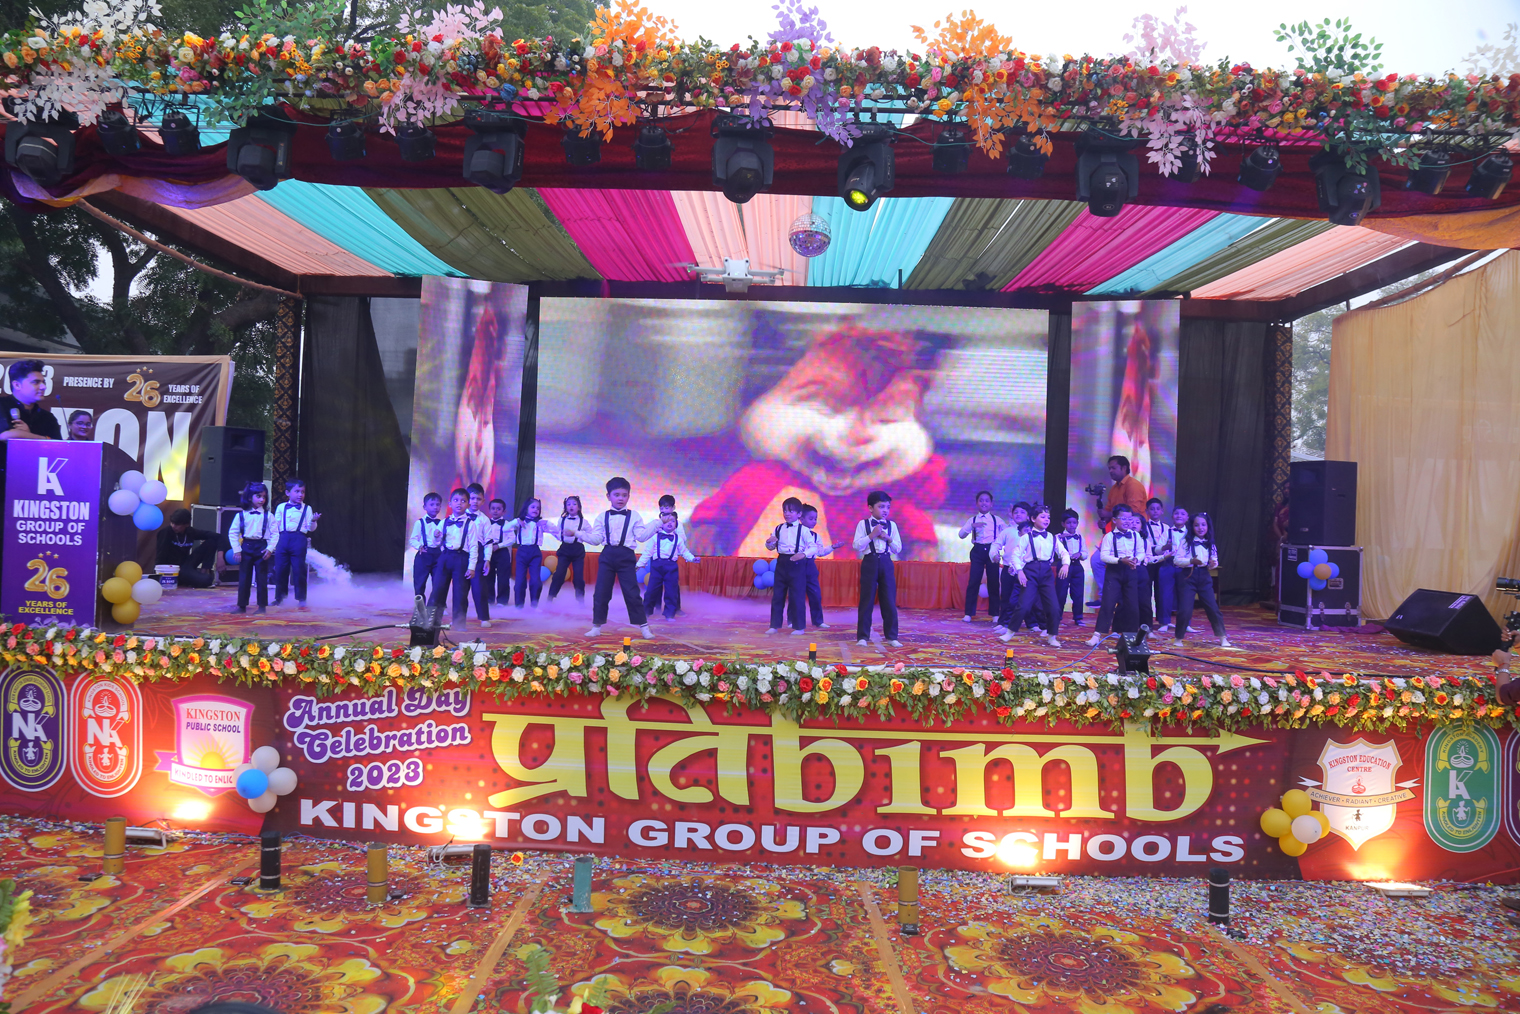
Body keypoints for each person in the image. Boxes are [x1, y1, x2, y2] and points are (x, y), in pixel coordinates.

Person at [581, 476, 655, 638]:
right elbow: (596, 539)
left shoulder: (634, 516)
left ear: (629, 496)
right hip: (607, 555)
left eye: (624, 495)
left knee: (632, 592)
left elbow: (641, 536)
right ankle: (596, 626)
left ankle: (644, 627)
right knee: (601, 592)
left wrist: (657, 523)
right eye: (616, 495)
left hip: (626, 556)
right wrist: (579, 534)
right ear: (608, 496)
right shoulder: (602, 517)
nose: (620, 498)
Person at [1000, 505, 1069, 647]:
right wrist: (1020, 571)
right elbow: (1015, 555)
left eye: (1048, 517)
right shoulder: (1026, 537)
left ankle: (1052, 635)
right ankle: (1010, 632)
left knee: (1054, 606)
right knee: (1024, 605)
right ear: (1033, 519)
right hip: (1030, 572)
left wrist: (1066, 564)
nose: (1046, 520)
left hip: (1046, 572)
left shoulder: (1052, 538)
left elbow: (1064, 553)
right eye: (1042, 517)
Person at [1088, 455, 1148, 606]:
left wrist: (1108, 515)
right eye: (1109, 468)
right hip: (1116, 536)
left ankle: (1115, 597)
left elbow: (1133, 513)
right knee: (1096, 560)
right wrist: (1104, 519)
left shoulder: (1133, 486)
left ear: (1124, 468)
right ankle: (1106, 596)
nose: (1110, 471)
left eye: (1113, 468)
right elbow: (1109, 511)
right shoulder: (1114, 488)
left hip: (1133, 535)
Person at [1172, 512, 1234, 649]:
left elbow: (1214, 561)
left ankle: (1222, 637)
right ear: (1192, 527)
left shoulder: (1210, 543)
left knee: (1213, 608)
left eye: (1203, 525)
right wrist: (1190, 561)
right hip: (1188, 576)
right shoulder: (1186, 542)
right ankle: (1178, 637)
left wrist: (1213, 564)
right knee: (1185, 609)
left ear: (1208, 526)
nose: (1200, 528)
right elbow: (1176, 560)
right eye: (1197, 525)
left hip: (1204, 577)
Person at [1085, 504, 1144, 647]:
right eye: (1123, 518)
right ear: (1114, 520)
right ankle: (1097, 635)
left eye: (1129, 519)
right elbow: (1104, 556)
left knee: (1132, 605)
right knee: (1108, 603)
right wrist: (1120, 560)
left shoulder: (1136, 535)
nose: (1127, 522)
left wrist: (1136, 560)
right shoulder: (1109, 536)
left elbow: (1141, 552)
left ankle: (1132, 636)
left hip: (1131, 571)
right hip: (1114, 572)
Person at [853, 490, 902, 647]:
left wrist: (888, 538)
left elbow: (898, 548)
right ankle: (862, 637)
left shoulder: (892, 525)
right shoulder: (863, 524)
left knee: (889, 599)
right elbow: (857, 546)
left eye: (888, 507)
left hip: (886, 562)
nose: (885, 510)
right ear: (870, 508)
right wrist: (872, 535)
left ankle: (892, 637)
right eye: (881, 507)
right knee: (866, 600)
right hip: (870, 562)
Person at [430, 488, 479, 628]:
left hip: (461, 558)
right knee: (438, 590)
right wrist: (436, 537)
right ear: (450, 503)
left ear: (468, 505)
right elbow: (436, 543)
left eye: (463, 501)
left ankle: (459, 624)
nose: (459, 503)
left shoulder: (471, 524)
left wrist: (471, 567)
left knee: (460, 593)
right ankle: (432, 622)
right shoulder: (444, 522)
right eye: (456, 500)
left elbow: (474, 546)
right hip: (445, 557)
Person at [764, 496, 811, 636]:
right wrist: (769, 542)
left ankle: (799, 627)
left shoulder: (804, 530)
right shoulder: (779, 528)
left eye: (791, 511)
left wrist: (803, 554)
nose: (787, 514)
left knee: (797, 596)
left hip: (797, 563)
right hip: (782, 562)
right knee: (778, 595)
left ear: (799, 514)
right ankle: (774, 625)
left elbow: (813, 547)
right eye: (785, 511)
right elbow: (771, 547)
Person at [270, 479, 319, 609]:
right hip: (283, 538)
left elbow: (310, 528)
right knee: (280, 569)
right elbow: (276, 525)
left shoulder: (307, 508)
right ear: (287, 493)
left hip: (299, 539)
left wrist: (314, 521)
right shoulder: (281, 507)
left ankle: (301, 598)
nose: (300, 495)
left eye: (302, 492)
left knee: (299, 570)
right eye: (297, 491)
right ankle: (280, 598)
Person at [641, 510, 698, 620]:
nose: (670, 523)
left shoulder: (678, 539)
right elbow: (647, 552)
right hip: (657, 566)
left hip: (671, 567)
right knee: (651, 591)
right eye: (667, 521)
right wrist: (640, 563)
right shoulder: (655, 537)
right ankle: (646, 612)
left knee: (671, 591)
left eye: (672, 521)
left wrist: (692, 558)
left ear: (676, 524)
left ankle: (669, 614)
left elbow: (684, 551)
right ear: (661, 524)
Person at [958, 490, 1005, 623]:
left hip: (992, 550)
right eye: (981, 500)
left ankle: (995, 614)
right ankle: (968, 613)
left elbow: (1007, 534)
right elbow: (961, 535)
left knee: (993, 582)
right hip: (977, 550)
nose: (984, 503)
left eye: (987, 501)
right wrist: (971, 526)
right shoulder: (972, 520)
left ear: (991, 504)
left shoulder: (997, 520)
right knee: (973, 581)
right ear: (977, 503)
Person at [228, 482, 274, 614]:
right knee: (244, 578)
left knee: (262, 578)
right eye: (258, 496)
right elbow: (233, 533)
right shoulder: (241, 515)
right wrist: (237, 549)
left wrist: (270, 549)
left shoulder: (268, 516)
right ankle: (242, 606)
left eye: (264, 497)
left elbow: (275, 534)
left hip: (261, 547)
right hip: (246, 547)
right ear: (249, 497)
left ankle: (262, 606)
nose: (262, 500)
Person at [801, 504, 842, 630]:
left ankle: (818, 621)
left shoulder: (815, 536)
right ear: (801, 518)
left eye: (815, 519)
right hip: (797, 565)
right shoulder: (795, 534)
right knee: (796, 595)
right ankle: (794, 620)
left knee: (815, 595)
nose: (814, 521)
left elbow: (820, 552)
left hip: (810, 566)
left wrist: (833, 547)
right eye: (811, 518)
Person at [156, 508, 221, 587]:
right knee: (206, 580)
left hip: (186, 565)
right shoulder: (166, 532)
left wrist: (220, 557)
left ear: (186, 525)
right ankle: (191, 578)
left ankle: (204, 571)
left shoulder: (190, 532)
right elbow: (160, 554)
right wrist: (159, 573)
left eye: (177, 524)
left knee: (211, 542)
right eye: (172, 523)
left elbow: (218, 537)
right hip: (173, 568)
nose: (173, 526)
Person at [0, 359, 60, 441]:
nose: (43, 387)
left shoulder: (48, 417)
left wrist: (28, 435)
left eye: (43, 382)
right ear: (17, 385)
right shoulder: (2, 406)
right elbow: (6, 436)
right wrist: (44, 439)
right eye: (36, 382)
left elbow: (57, 445)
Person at [509, 497, 549, 608]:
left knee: (536, 580)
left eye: (538, 508)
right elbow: (505, 528)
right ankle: (519, 606)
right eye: (533, 507)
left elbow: (555, 531)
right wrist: (516, 521)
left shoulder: (540, 523)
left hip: (535, 552)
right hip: (522, 551)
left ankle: (534, 605)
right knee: (520, 581)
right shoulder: (519, 521)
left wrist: (562, 534)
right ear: (526, 508)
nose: (536, 509)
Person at [549, 495, 588, 602]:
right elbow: (557, 533)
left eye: (574, 504)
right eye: (569, 504)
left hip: (578, 550)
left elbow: (590, 534)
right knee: (559, 574)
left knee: (578, 577)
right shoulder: (561, 520)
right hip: (565, 549)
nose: (571, 506)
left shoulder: (584, 521)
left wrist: (579, 535)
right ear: (565, 507)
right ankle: (550, 598)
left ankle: (580, 601)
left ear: (579, 507)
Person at [408, 492, 446, 600]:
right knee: (419, 584)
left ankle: (436, 605)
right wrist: (419, 546)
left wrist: (440, 538)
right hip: (424, 554)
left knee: (438, 583)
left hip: (438, 555)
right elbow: (413, 539)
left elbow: (443, 541)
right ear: (425, 507)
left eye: (438, 505)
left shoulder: (442, 523)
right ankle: (420, 606)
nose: (435, 507)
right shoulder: (419, 523)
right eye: (432, 504)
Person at [464, 483, 492, 627]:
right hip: (463, 553)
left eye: (478, 499)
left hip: (479, 555)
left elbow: (488, 541)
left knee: (479, 587)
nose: (475, 502)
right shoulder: (459, 516)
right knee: (461, 588)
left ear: (483, 501)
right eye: (472, 498)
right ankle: (458, 617)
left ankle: (484, 617)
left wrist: (487, 559)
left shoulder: (485, 519)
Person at [1055, 508, 1086, 627]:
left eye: (1074, 522)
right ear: (1063, 524)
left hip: (1077, 566)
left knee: (1078, 593)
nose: (1071, 525)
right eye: (1068, 523)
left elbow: (1085, 553)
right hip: (1063, 566)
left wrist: (1080, 554)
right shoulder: (1058, 537)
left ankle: (1078, 618)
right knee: (1061, 592)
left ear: (1077, 523)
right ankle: (1057, 617)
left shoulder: (1080, 537)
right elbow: (1057, 552)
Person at [482, 498, 512, 606]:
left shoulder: (507, 524)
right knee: (488, 576)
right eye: (493, 508)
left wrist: (499, 546)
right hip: (488, 552)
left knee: (503, 577)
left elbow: (512, 539)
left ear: (504, 511)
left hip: (502, 552)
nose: (495, 511)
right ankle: (489, 599)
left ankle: (502, 600)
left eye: (498, 509)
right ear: (489, 510)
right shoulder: (485, 523)